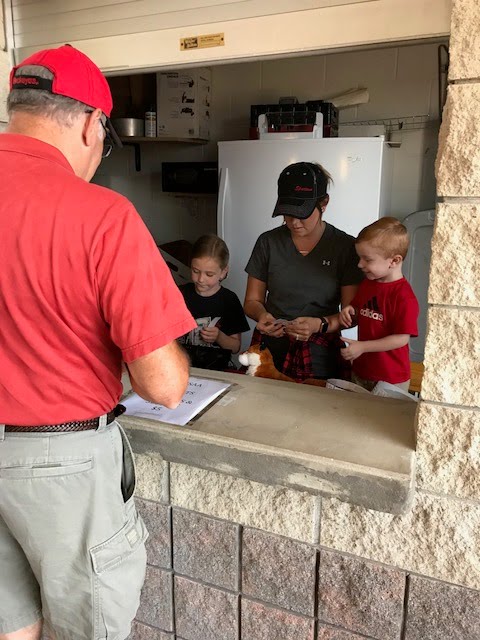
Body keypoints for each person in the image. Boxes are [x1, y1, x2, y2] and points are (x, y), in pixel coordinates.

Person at [0, 45, 196, 640]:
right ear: (91, 124)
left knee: (12, 626)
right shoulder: (102, 214)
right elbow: (164, 387)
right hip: (62, 467)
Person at [244, 161, 363, 381]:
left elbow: (351, 316)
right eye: (287, 214)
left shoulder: (345, 247)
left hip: (320, 355)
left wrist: (320, 324)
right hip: (270, 351)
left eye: (302, 213)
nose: (294, 222)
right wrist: (262, 316)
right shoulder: (268, 243)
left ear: (324, 203)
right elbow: (252, 301)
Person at [330, 217, 419, 391]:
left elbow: (401, 338)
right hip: (362, 370)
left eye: (367, 259)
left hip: (391, 377)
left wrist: (363, 347)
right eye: (360, 258)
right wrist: (349, 310)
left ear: (394, 261)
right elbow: (358, 308)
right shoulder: (367, 284)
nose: (359, 264)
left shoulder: (404, 297)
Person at [179, 234, 250, 370]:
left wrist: (219, 337)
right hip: (181, 367)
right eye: (195, 271)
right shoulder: (179, 294)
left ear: (223, 272)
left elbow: (235, 347)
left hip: (216, 370)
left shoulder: (229, 300)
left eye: (209, 274)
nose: (201, 279)